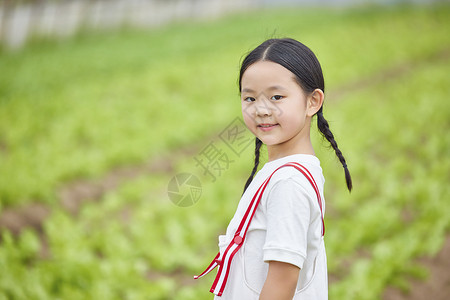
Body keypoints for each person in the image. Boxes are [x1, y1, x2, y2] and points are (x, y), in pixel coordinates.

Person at [195, 38, 352, 299]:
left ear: (313, 102)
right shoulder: (289, 172)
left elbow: (281, 284)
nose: (261, 109)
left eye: (277, 97)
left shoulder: (288, 183)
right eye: (250, 98)